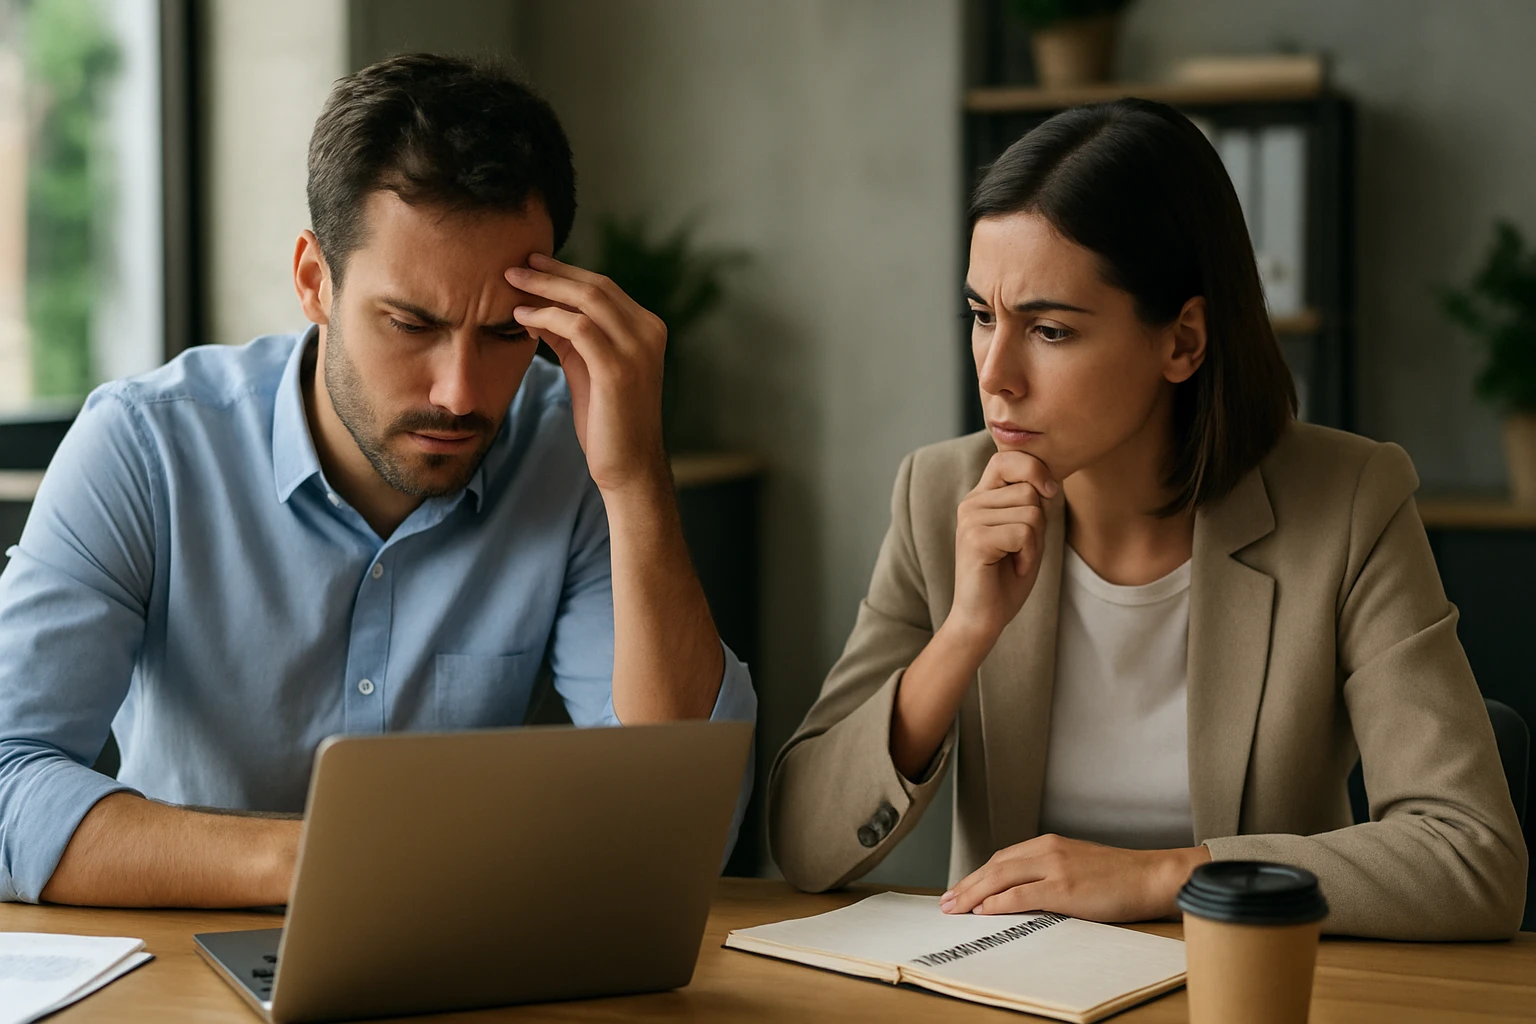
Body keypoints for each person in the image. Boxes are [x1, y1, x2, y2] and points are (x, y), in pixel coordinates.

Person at [0, 54, 755, 907]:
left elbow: (681, 823)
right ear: (315, 282)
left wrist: (635, 480)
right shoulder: (144, 448)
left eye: (507, 334)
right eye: (411, 323)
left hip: (458, 970)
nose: (461, 392)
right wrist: (323, 861)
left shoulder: (569, 450)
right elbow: (4, 780)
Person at [768, 98, 1526, 940]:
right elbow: (804, 843)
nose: (996, 374)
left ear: (1184, 341)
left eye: (1049, 330)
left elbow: (1472, 855)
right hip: (1023, 993)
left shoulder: (1348, 503)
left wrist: (1167, 877)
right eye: (983, 317)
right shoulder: (939, 493)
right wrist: (961, 636)